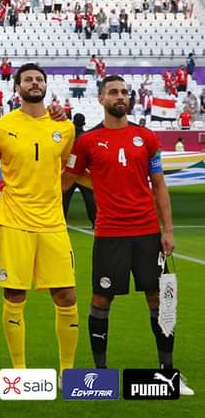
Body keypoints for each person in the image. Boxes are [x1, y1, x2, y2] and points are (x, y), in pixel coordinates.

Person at [63, 75, 194, 394]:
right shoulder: (87, 141)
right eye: (113, 92)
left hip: (147, 232)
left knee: (157, 298)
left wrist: (168, 230)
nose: (120, 96)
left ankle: (168, 372)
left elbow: (159, 185)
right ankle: (100, 377)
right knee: (101, 299)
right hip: (109, 234)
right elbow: (66, 182)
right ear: (100, 99)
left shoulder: (145, 137)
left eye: (124, 91)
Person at [0, 64, 78, 376]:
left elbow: (69, 170)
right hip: (14, 221)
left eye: (39, 79)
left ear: (46, 86)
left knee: (67, 295)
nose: (34, 83)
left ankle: (68, 372)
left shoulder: (65, 128)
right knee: (14, 294)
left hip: (53, 222)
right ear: (17, 87)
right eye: (28, 79)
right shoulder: (0, 127)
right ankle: (19, 373)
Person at [62, 113, 96, 227]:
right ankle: (96, 223)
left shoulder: (68, 136)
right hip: (84, 174)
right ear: (84, 123)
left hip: (69, 173)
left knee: (64, 201)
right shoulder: (86, 137)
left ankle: (61, 223)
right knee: (90, 201)